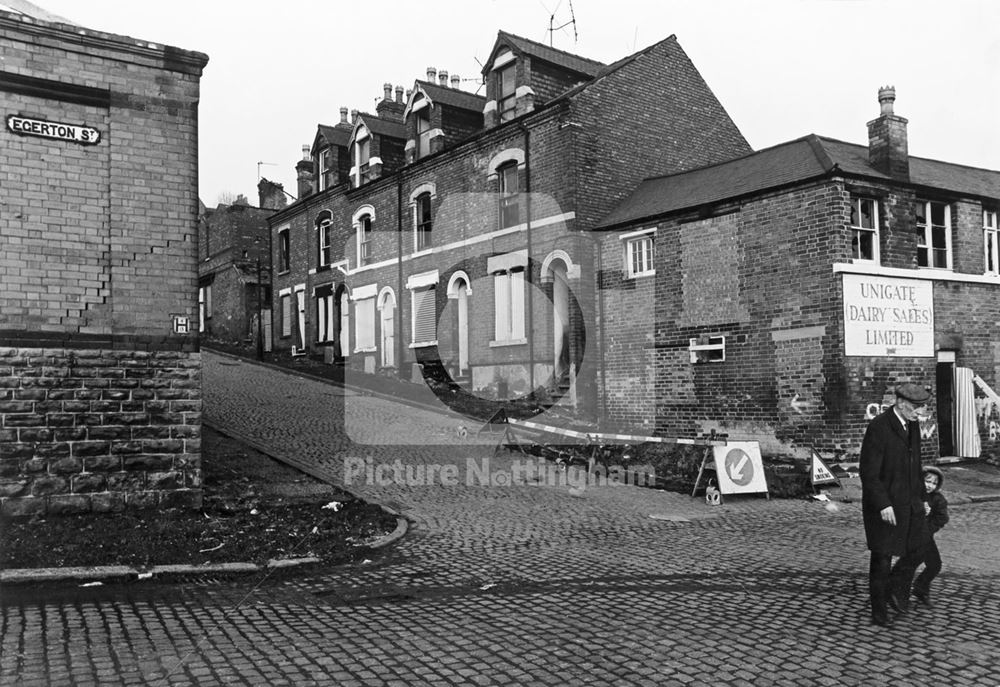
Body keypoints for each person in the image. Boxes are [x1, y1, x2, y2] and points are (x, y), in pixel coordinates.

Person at [859, 382, 932, 627]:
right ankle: (879, 613)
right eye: (915, 408)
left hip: (909, 501)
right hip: (884, 506)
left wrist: (923, 498)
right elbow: (868, 473)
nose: (919, 413)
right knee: (882, 558)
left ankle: (891, 588)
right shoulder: (879, 427)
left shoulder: (912, 426)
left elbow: (916, 466)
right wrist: (882, 505)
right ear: (900, 403)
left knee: (919, 547)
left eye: (921, 408)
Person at [911, 465, 949, 607]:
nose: (930, 486)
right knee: (908, 564)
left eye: (934, 483)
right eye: (927, 481)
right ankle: (894, 590)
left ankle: (921, 588)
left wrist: (928, 529)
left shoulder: (937, 499)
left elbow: (942, 518)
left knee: (934, 565)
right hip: (911, 535)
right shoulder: (913, 495)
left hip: (926, 536)